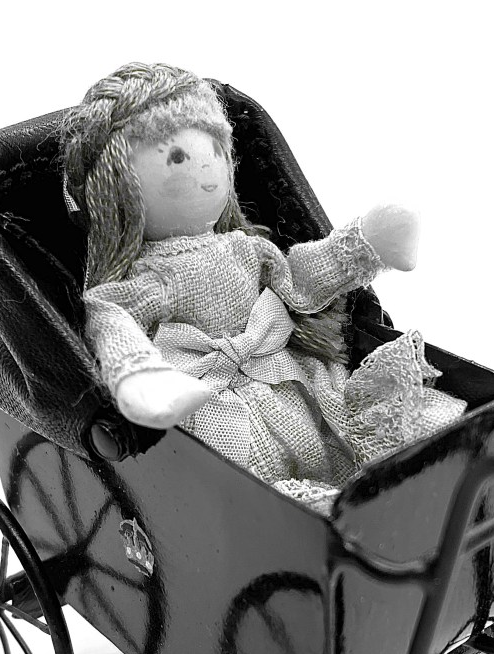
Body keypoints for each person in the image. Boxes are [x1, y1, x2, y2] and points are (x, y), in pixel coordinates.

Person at [62, 63, 465, 509]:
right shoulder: (153, 277)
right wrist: (139, 375)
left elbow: (298, 281)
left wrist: (362, 245)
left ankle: (378, 492)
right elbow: (111, 315)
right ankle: (319, 515)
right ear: (117, 190)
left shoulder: (245, 246)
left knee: (348, 434)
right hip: (214, 409)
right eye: (177, 157)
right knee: (260, 492)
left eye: (214, 147)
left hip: (287, 379)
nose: (206, 166)